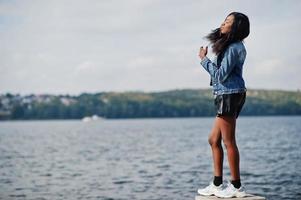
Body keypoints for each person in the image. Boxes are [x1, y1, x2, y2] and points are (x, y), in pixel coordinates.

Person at [197, 12, 250, 198]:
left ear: (236, 27)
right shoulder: (230, 45)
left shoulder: (234, 47)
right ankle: (217, 184)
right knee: (214, 139)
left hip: (229, 95)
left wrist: (204, 60)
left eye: (228, 22)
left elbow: (220, 75)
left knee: (228, 141)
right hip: (225, 94)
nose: (223, 23)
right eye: (224, 20)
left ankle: (236, 187)